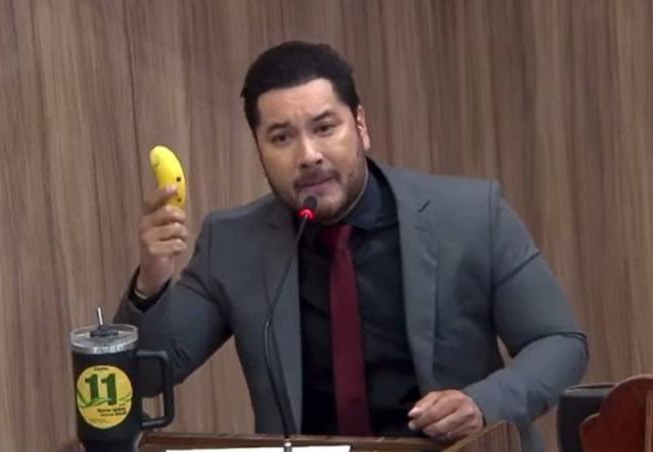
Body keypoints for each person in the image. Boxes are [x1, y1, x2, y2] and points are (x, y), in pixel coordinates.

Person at [115, 41, 588, 452]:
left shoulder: (469, 215)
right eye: (282, 137)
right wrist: (151, 282)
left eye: (325, 128)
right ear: (259, 148)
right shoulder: (233, 242)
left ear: (360, 125)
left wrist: (482, 404)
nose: (308, 156)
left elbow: (560, 343)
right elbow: (150, 378)